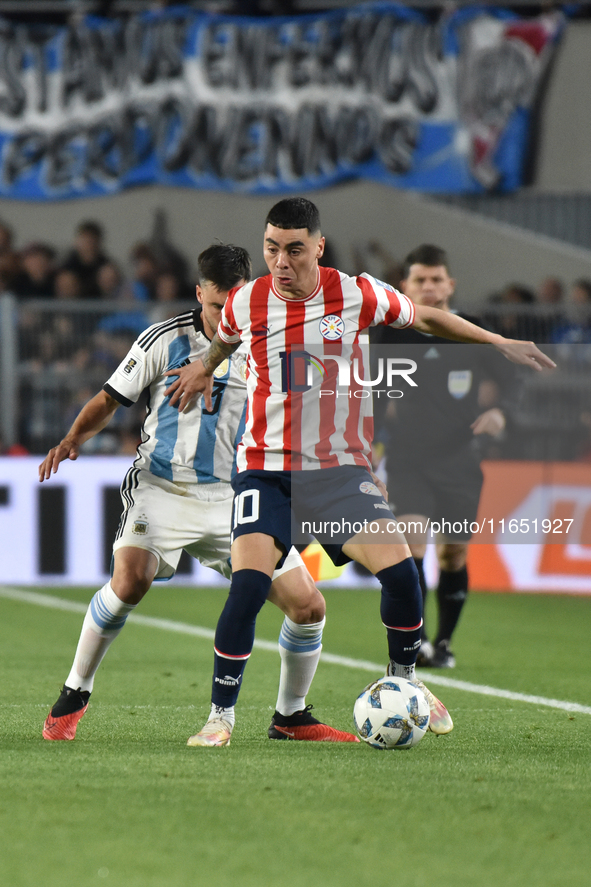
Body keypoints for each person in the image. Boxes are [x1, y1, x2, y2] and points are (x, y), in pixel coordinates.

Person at [163, 198, 553, 746]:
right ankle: (220, 718)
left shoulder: (355, 292)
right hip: (266, 470)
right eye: (271, 247)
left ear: (318, 248)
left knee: (401, 575)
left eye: (294, 249)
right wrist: (204, 369)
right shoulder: (246, 300)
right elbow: (224, 340)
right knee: (248, 586)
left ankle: (406, 685)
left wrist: (495, 341)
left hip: (341, 472)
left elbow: (428, 317)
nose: (280, 261)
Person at [39, 243, 358, 746]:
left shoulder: (274, 342)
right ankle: (75, 692)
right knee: (130, 581)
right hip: (162, 486)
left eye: (233, 301)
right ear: (199, 295)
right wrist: (72, 438)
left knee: (308, 606)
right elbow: (110, 398)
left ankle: (290, 716)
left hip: (237, 495)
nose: (225, 313)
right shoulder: (162, 341)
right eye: (215, 305)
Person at [372, 244, 512, 668]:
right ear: (405, 287)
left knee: (453, 554)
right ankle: (410, 646)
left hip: (460, 461)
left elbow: (514, 378)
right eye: (420, 280)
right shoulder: (390, 335)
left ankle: (443, 644)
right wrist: (366, 449)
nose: (429, 287)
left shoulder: (473, 331)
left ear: (450, 284)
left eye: (436, 279)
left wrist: (501, 412)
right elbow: (373, 395)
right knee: (411, 546)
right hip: (408, 459)